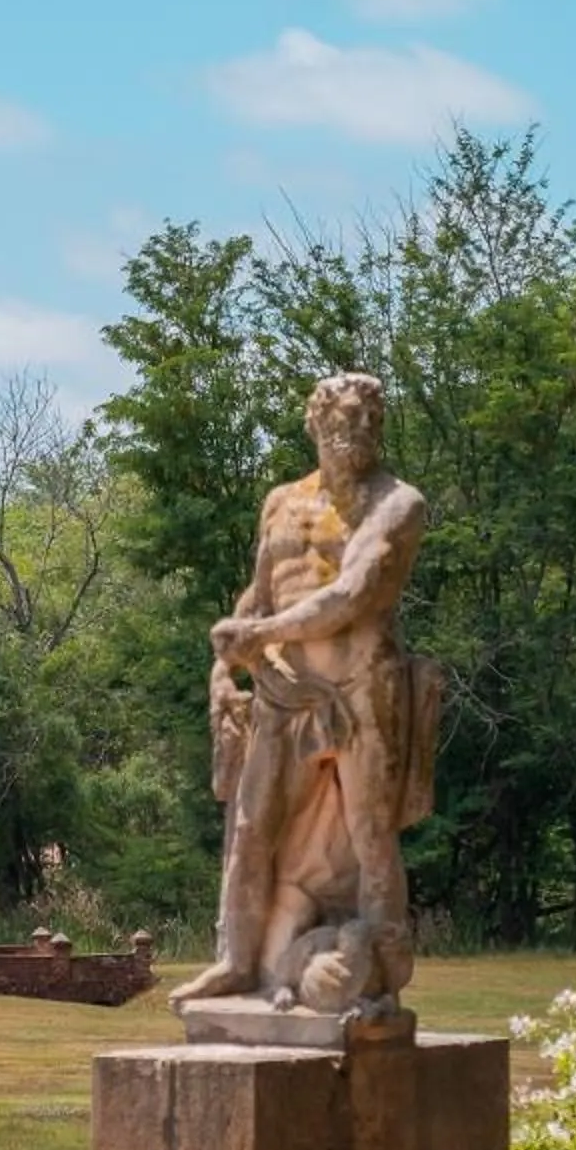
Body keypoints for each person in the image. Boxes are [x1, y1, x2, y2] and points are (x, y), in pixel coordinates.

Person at [169, 372, 441, 1017]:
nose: (360, 431)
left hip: (362, 684)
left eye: (371, 420)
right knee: (251, 826)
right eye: (346, 418)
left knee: (371, 834)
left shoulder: (398, 502)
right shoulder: (281, 501)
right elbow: (260, 593)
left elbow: (353, 593)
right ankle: (237, 963)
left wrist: (258, 634)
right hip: (283, 687)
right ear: (316, 423)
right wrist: (224, 667)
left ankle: (378, 973)